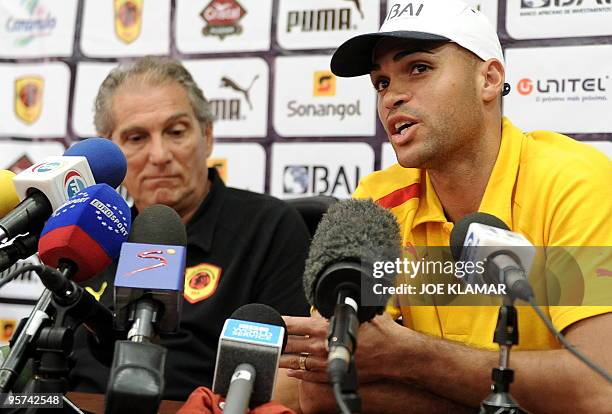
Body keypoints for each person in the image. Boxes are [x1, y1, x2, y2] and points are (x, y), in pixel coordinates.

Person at [280, 1, 612, 413]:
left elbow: (598, 388)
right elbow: (322, 389)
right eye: (381, 83)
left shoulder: (573, 183)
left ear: (489, 79)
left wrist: (411, 358)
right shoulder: (374, 204)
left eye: (418, 68)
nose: (392, 97)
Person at [68, 56, 311, 401]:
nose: (160, 154)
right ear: (112, 153)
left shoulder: (269, 227)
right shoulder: (87, 230)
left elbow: (292, 380)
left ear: (207, 136)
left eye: (176, 132)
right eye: (136, 137)